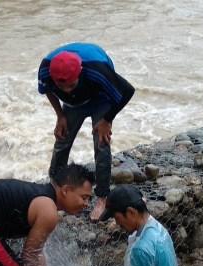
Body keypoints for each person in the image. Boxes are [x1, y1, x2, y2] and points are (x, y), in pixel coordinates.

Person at [38, 42, 135, 221]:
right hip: (74, 103)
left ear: (79, 73)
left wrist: (107, 120)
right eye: (62, 86)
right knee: (62, 139)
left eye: (71, 84)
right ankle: (55, 190)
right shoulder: (45, 70)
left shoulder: (97, 70)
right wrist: (60, 115)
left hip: (101, 98)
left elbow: (127, 91)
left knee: (101, 143)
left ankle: (102, 197)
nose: (66, 89)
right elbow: (48, 90)